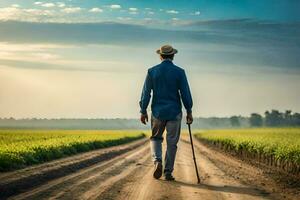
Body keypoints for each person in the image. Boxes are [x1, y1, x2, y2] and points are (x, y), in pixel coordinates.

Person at [139, 44, 193, 181]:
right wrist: (189, 110)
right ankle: (168, 172)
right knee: (172, 143)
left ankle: (157, 161)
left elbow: (146, 93)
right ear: (173, 56)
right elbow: (185, 93)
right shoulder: (180, 72)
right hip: (174, 112)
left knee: (156, 138)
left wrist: (143, 110)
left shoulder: (152, 71)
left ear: (160, 56)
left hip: (157, 112)